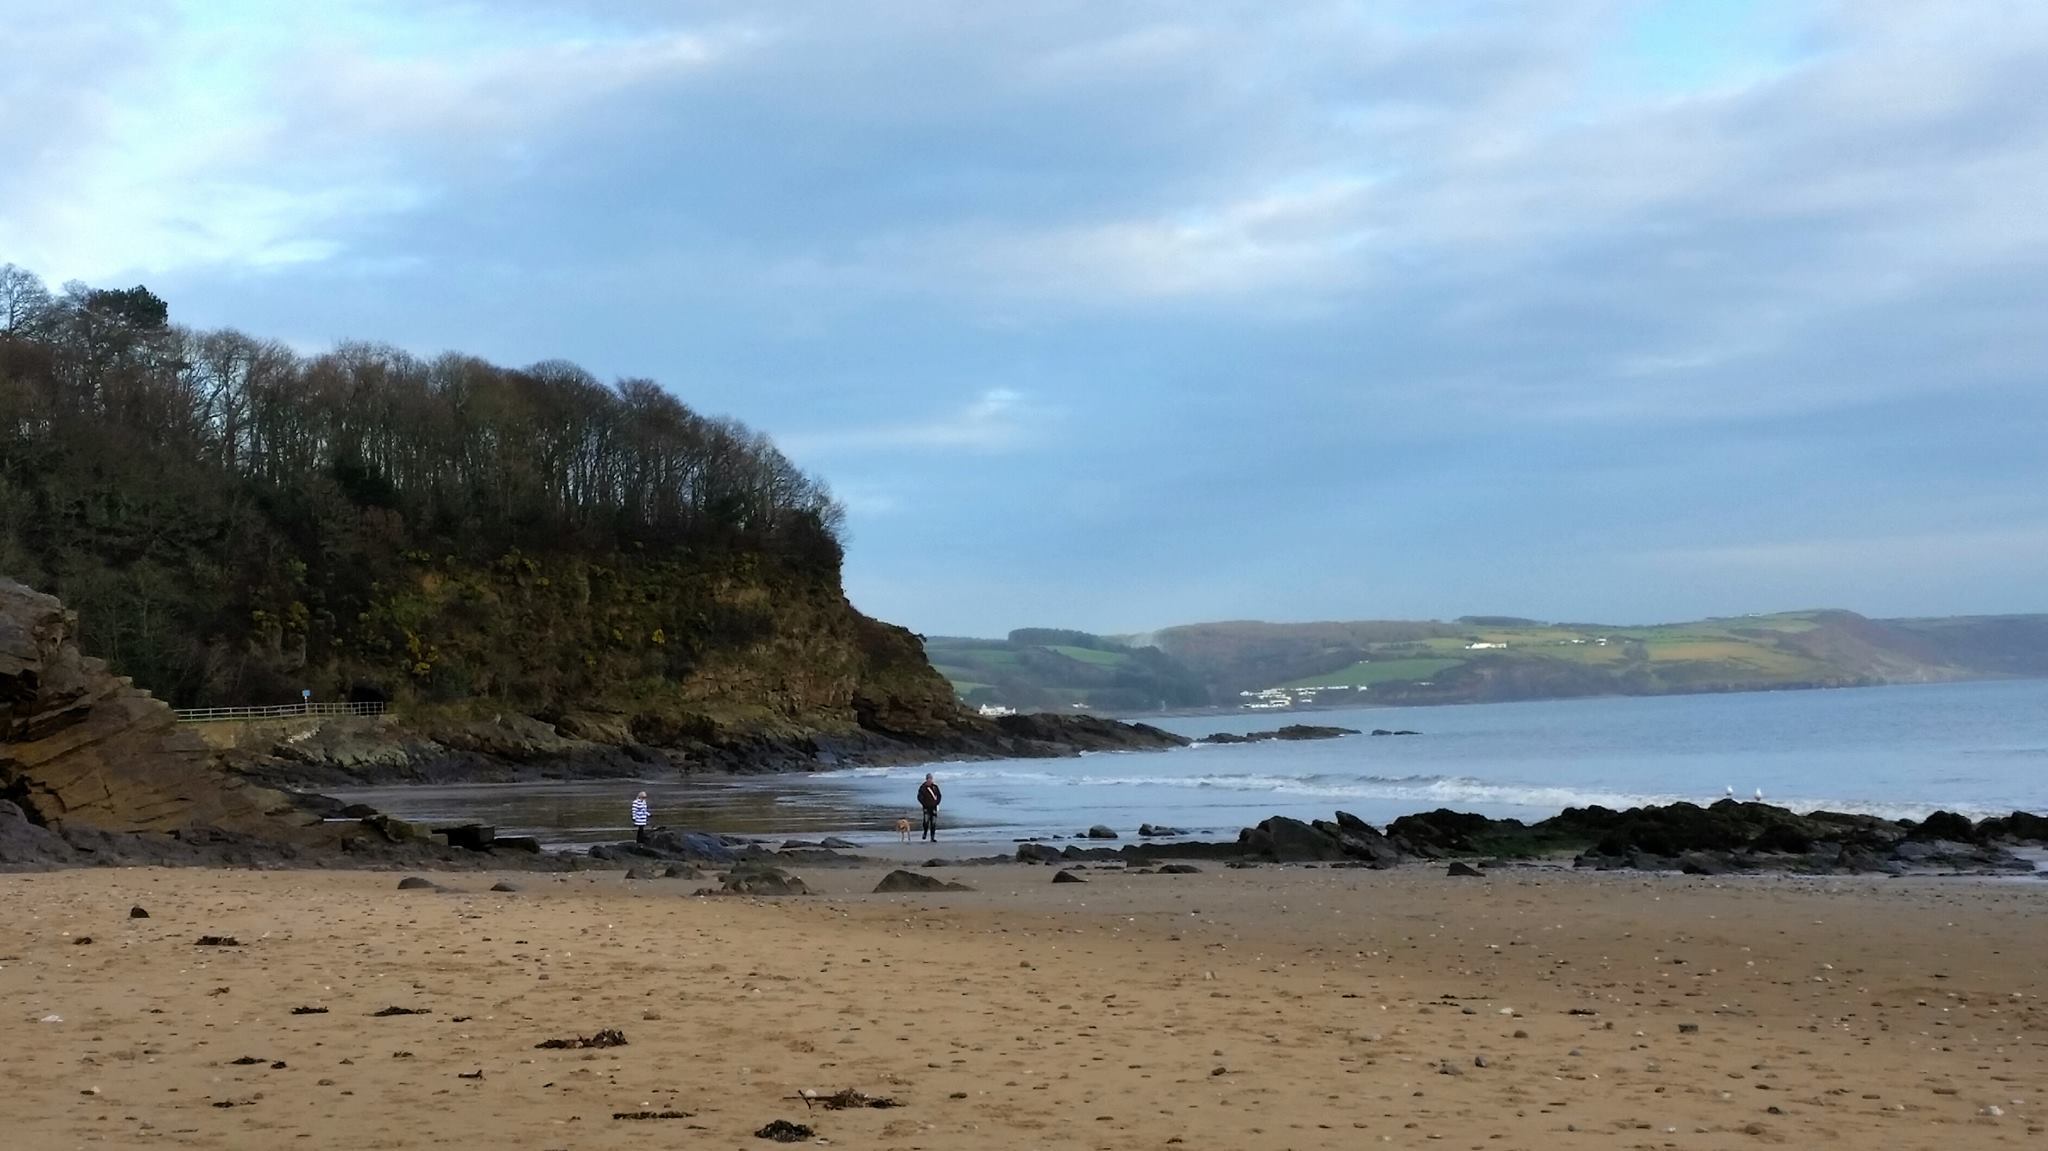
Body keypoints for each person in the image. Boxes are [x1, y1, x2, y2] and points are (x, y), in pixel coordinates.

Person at [916, 773, 943, 841]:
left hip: (934, 807)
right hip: (926, 807)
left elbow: (939, 795)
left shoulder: (935, 787)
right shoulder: (923, 787)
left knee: (933, 822)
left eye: (931, 779)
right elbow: (919, 797)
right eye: (929, 779)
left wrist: (937, 803)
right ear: (926, 779)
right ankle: (925, 832)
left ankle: (932, 837)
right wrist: (924, 803)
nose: (930, 780)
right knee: (926, 821)